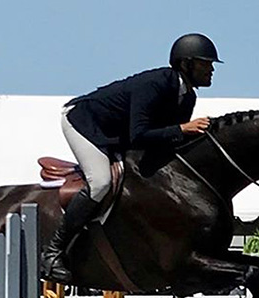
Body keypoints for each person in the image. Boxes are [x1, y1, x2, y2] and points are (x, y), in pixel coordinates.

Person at [41, 33, 223, 284]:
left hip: (117, 135)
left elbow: (166, 140)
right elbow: (140, 134)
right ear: (186, 64)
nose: (211, 69)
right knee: (101, 181)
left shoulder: (187, 95)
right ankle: (53, 251)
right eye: (206, 63)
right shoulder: (156, 84)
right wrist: (183, 129)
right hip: (85, 123)